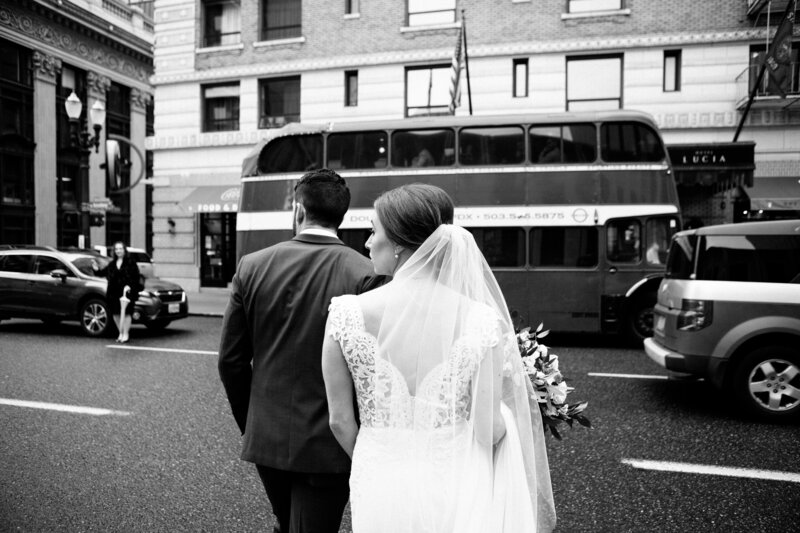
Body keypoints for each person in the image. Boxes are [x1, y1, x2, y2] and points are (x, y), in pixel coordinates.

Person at [321, 184, 557, 532]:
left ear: (399, 243)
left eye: (373, 231)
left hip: (379, 477)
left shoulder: (345, 314)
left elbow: (339, 421)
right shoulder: (481, 321)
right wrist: (516, 405)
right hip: (454, 477)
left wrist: (375, 459)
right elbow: (488, 430)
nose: (368, 242)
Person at [218, 168, 383, 533]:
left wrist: (254, 421)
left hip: (266, 436)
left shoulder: (252, 265)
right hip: (329, 444)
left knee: (288, 520)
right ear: (342, 216)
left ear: (298, 209)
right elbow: (371, 371)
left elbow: (230, 361)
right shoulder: (365, 273)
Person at [92, 241, 140, 344]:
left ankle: (126, 333)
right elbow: (102, 273)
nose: (118, 251)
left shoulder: (131, 262)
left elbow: (136, 277)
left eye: (120, 249)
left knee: (127, 313)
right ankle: (120, 332)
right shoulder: (112, 263)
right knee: (115, 313)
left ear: (124, 250)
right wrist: (96, 269)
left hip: (126, 292)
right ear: (114, 251)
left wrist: (130, 286)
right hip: (113, 292)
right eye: (116, 249)